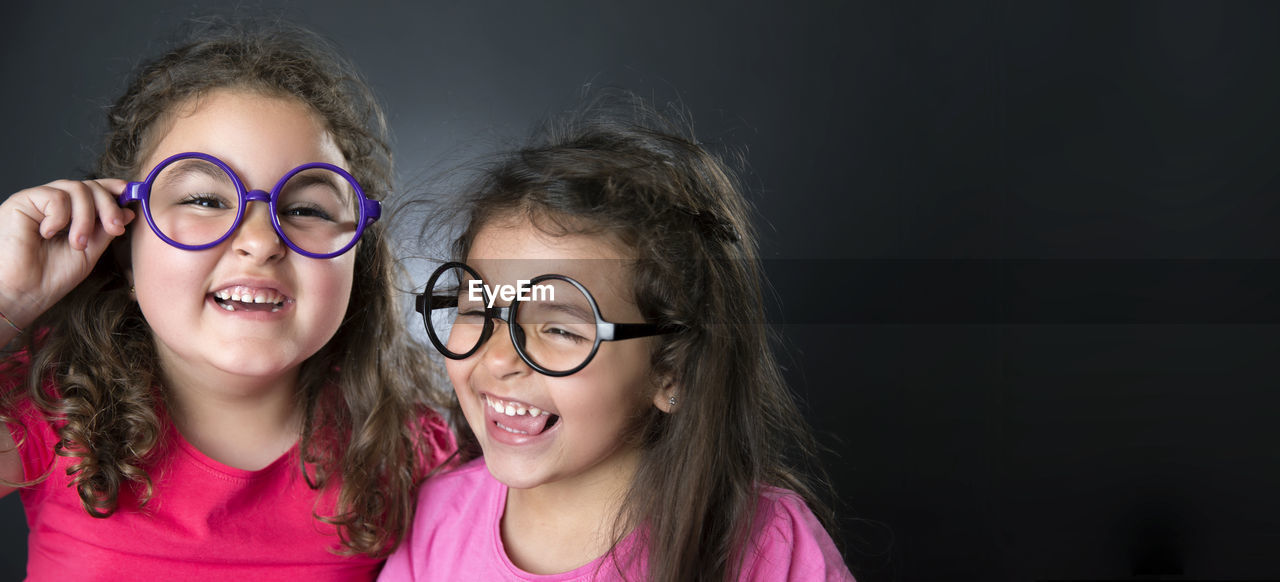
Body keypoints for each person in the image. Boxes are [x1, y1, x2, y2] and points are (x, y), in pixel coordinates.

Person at [0, 24, 452, 579]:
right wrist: (7, 295)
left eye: (307, 209)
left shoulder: (409, 448)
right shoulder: (50, 407)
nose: (261, 241)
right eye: (205, 199)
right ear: (122, 243)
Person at [381, 96, 854, 581]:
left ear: (671, 371)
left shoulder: (770, 546)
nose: (499, 356)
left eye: (560, 328)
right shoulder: (433, 520)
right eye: (478, 308)